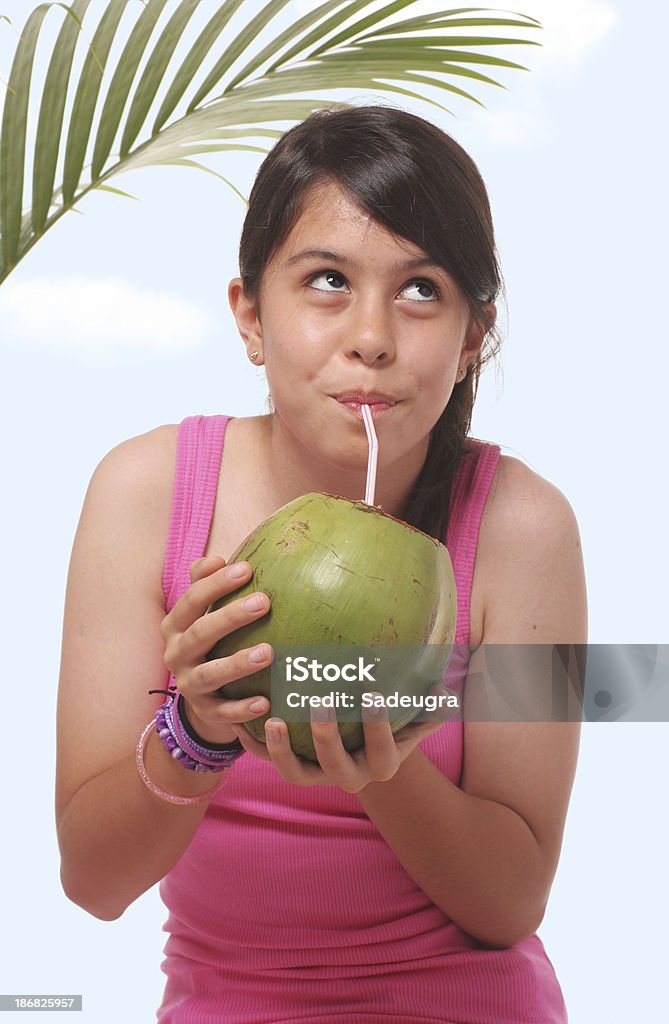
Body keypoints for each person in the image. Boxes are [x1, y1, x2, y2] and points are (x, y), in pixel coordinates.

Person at [55, 105, 587, 1023]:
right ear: (250, 314)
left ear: (471, 337)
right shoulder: (143, 493)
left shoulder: (522, 527)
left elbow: (511, 904)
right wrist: (198, 733)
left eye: (421, 289)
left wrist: (383, 769)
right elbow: (93, 883)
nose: (372, 336)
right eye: (328, 280)